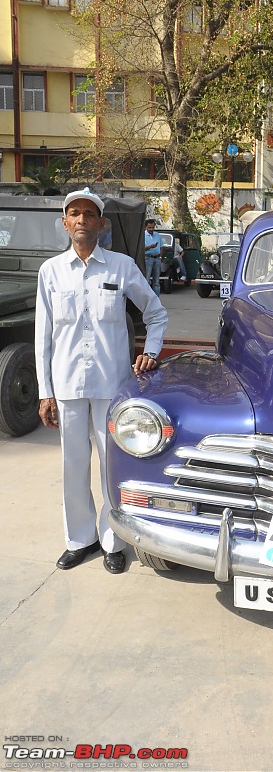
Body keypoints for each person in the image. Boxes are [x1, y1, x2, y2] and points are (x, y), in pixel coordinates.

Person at [35, 188, 168, 575]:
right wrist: (46, 392)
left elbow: (156, 313)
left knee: (112, 466)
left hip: (112, 387)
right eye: (74, 214)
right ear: (65, 223)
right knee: (72, 467)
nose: (81, 220)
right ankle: (80, 539)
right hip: (68, 387)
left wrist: (152, 351)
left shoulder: (121, 267)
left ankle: (113, 540)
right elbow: (43, 337)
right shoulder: (51, 272)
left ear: (101, 224)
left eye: (88, 215)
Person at [144, 218, 162, 295]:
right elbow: (141, 248)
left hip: (157, 258)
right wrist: (150, 247)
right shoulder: (143, 235)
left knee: (156, 281)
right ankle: (147, 300)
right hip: (148, 258)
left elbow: (161, 246)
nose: (151, 229)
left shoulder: (157, 235)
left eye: (153, 227)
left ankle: (156, 300)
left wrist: (160, 256)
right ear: (146, 227)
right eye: (149, 227)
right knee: (147, 280)